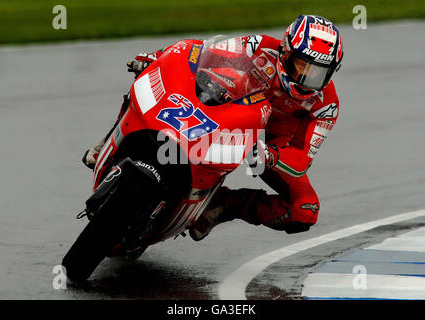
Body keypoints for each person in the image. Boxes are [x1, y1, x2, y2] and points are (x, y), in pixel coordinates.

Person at [83, 14, 343, 240]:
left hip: (271, 148)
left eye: (318, 73)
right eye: (301, 67)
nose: (306, 80)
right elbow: (200, 52)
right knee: (146, 79)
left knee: (304, 210)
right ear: (286, 52)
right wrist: (160, 57)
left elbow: (302, 159)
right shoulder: (259, 47)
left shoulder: (326, 105)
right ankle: (107, 142)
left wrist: (271, 155)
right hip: (230, 115)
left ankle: (221, 205)